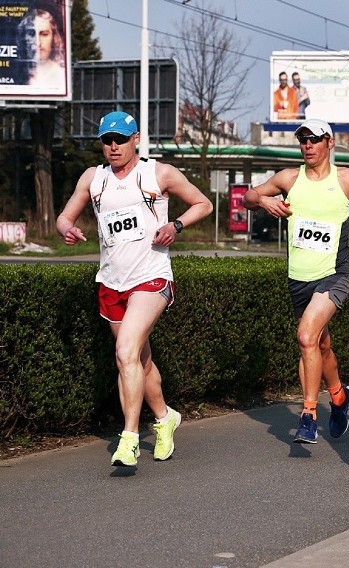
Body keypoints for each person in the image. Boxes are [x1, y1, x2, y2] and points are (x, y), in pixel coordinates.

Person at [55, 111, 213, 468]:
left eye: (121, 139)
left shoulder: (158, 173)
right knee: (139, 359)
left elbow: (204, 203)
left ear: (136, 139)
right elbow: (65, 215)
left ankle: (129, 438)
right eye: (107, 140)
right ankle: (164, 417)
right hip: (112, 282)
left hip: (152, 277)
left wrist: (176, 224)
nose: (113, 146)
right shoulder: (94, 178)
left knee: (125, 351)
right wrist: (65, 227)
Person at [242, 118, 349, 443]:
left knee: (306, 337)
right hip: (299, 278)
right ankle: (338, 396)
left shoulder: (348, 179)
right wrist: (264, 201)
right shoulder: (289, 178)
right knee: (320, 344)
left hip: (334, 275)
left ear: (329, 143)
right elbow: (250, 196)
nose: (307, 145)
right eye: (302, 140)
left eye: (314, 139)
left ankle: (308, 415)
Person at [18, 7, 65, 88]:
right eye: (31, 34)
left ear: (54, 38)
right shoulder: (16, 75)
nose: (37, 42)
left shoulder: (62, 76)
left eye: (44, 34)